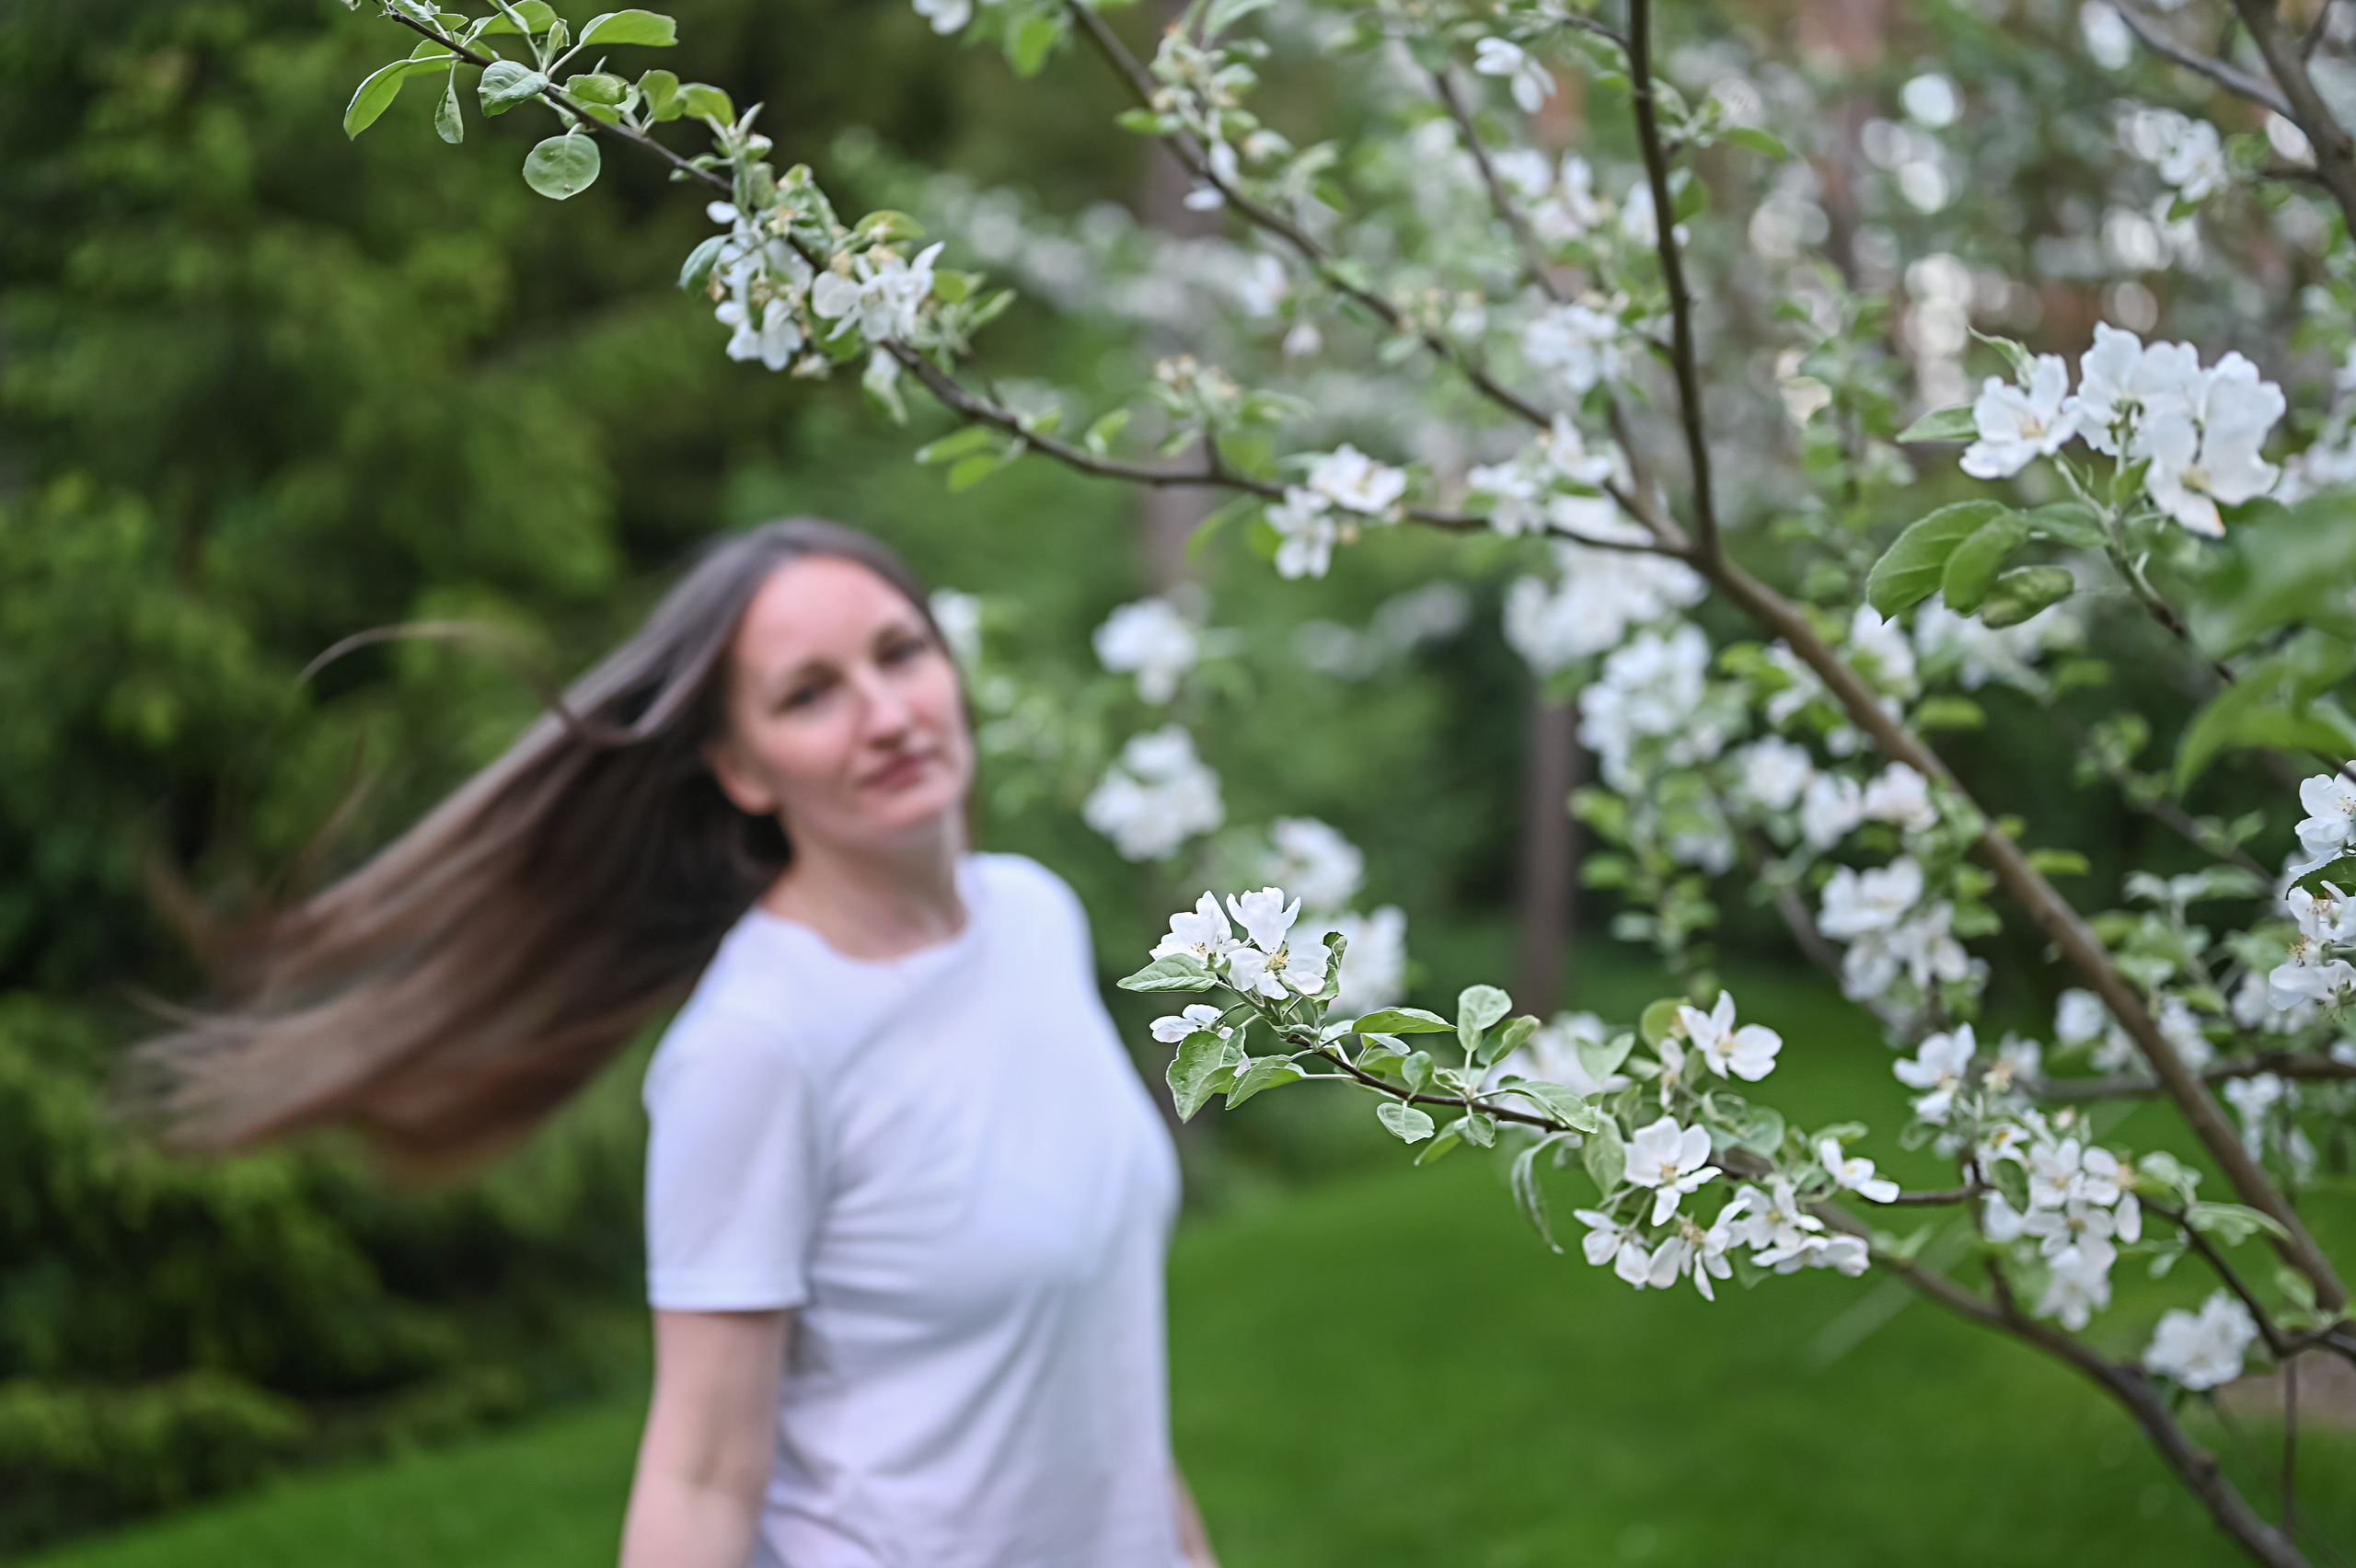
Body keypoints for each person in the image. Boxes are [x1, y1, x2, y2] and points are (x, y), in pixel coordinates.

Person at [133, 519, 1218, 1568]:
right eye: (810, 695)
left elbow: (1092, 1361)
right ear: (743, 771)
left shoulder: (1035, 917)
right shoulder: (758, 1045)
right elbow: (702, 1471)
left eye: (900, 654)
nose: (885, 715)